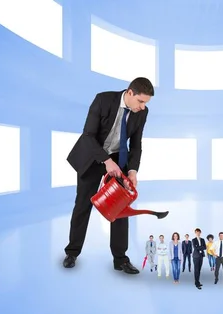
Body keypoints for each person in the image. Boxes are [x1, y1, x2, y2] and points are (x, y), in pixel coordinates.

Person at [62, 77, 154, 274]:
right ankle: (72, 252)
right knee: (83, 205)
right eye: (141, 101)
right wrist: (106, 160)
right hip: (93, 155)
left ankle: (120, 259)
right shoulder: (103, 100)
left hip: (118, 158)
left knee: (121, 207)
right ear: (130, 93)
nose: (143, 107)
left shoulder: (141, 113)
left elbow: (136, 144)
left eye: (146, 103)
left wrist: (132, 170)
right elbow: (88, 135)